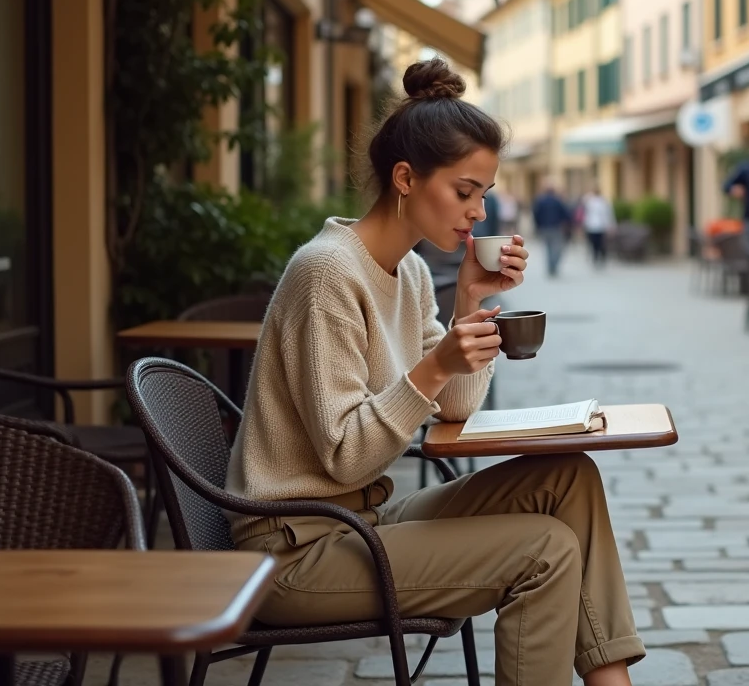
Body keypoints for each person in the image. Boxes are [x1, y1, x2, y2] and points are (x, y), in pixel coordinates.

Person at [225, 59, 645, 686]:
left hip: (361, 523)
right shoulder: (326, 274)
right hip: (295, 552)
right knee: (544, 550)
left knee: (569, 477)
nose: (479, 213)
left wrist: (469, 300)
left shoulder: (413, 272)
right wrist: (434, 366)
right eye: (465, 191)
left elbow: (456, 407)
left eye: (485, 194)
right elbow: (345, 456)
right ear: (405, 178)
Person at [532, 180, 571, 277]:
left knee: (548, 248)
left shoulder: (540, 201)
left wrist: (538, 225)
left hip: (545, 228)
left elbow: (536, 214)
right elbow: (565, 214)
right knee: (556, 248)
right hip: (555, 227)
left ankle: (550, 266)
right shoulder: (557, 201)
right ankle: (553, 265)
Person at [579, 186, 614, 267]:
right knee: (597, 243)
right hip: (595, 226)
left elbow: (607, 214)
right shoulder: (592, 202)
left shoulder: (601, 202)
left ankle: (598, 257)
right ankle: (597, 257)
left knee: (597, 243)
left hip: (596, 226)